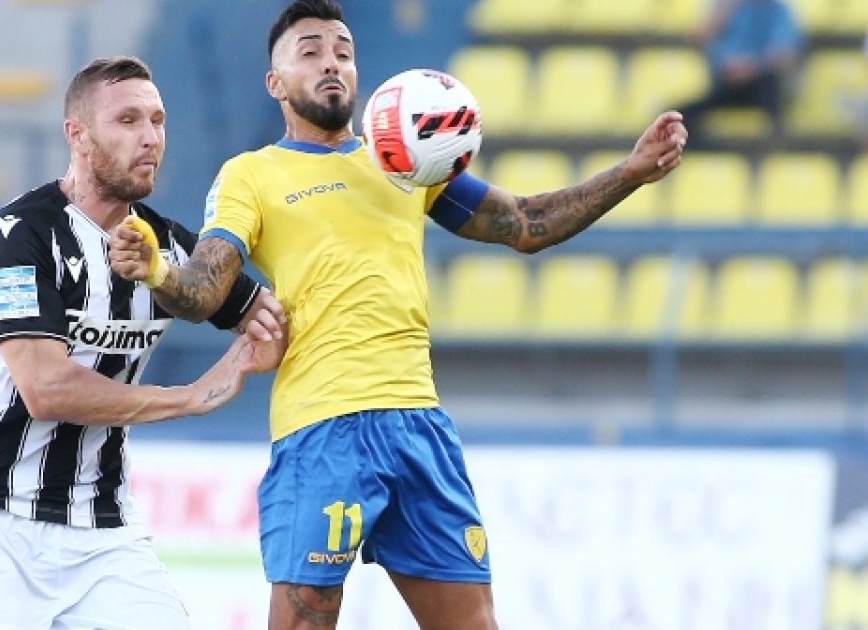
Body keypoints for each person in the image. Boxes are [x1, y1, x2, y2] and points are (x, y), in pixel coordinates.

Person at [107, 1, 688, 629]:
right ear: (275, 83)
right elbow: (204, 287)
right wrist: (158, 271)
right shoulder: (253, 175)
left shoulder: (407, 160)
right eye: (310, 52)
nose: (331, 63)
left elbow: (526, 223)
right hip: (324, 430)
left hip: (419, 428)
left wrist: (630, 172)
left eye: (343, 51)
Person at [0, 55, 287, 630]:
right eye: (128, 121)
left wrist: (262, 339)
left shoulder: (168, 250)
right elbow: (47, 389)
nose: (150, 138)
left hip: (105, 534)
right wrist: (190, 396)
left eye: (157, 121)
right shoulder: (18, 236)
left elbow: (264, 317)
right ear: (78, 135)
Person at [674, 0, 802, 143]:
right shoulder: (727, 9)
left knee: (770, 88)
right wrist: (724, 10)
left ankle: (775, 142)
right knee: (677, 118)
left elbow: (783, 57)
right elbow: (699, 39)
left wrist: (749, 68)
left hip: (762, 87)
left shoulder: (777, 10)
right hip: (727, 85)